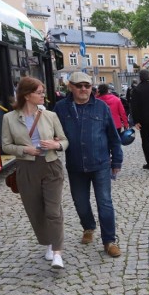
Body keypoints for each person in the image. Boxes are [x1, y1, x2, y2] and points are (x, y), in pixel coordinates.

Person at [1, 77, 69, 269]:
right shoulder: (9, 118)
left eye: (42, 92)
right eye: (39, 92)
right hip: (27, 168)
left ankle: (57, 253)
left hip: (51, 165)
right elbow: (6, 145)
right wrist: (25, 150)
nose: (43, 96)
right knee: (36, 210)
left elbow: (64, 140)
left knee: (53, 210)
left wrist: (56, 144)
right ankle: (48, 242)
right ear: (26, 95)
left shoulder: (50, 115)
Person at [54, 72, 123, 258]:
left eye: (87, 85)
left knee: (105, 203)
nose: (83, 89)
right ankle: (88, 227)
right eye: (79, 85)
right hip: (75, 165)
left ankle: (109, 240)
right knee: (81, 203)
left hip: (100, 163)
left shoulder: (101, 107)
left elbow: (113, 136)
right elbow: (55, 134)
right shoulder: (61, 108)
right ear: (70, 87)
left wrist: (116, 160)